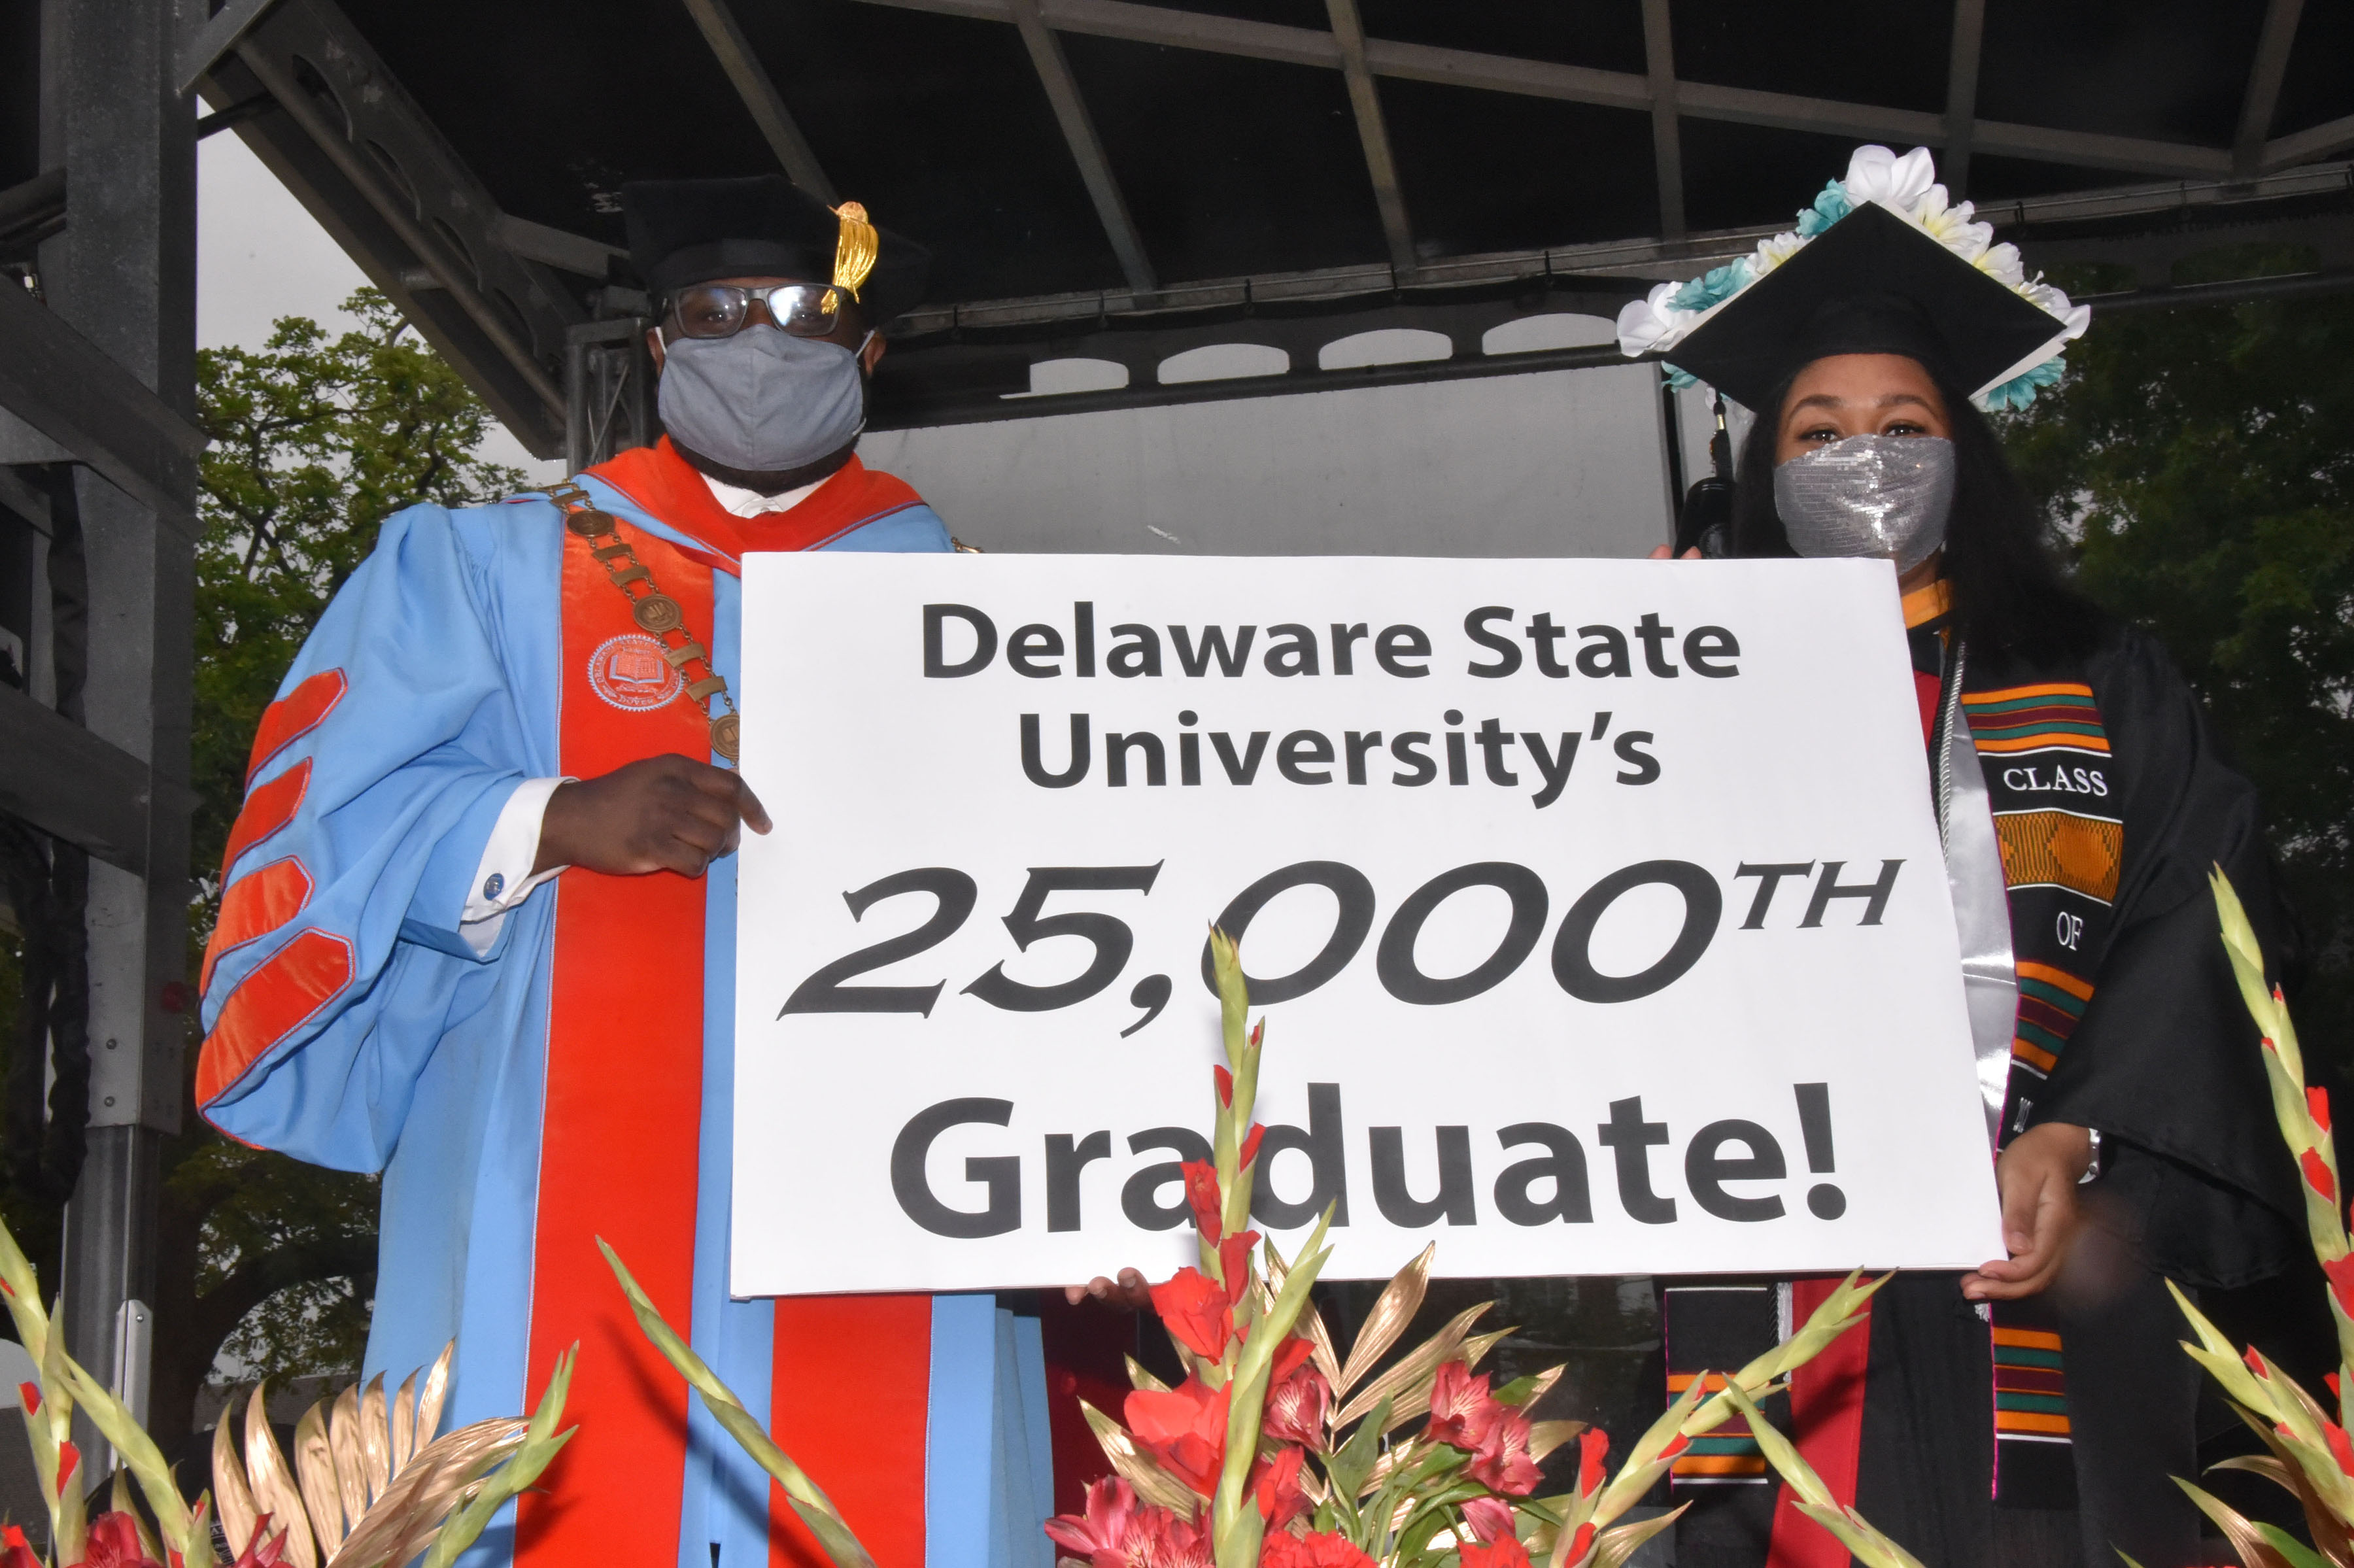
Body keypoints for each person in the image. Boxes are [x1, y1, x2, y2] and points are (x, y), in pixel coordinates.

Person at [191, 175, 1046, 1568]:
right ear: (659, 347)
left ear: (868, 356)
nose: (758, 345)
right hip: (543, 1207)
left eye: (804, 318)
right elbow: (313, 832)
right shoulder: (476, 571)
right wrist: (546, 818)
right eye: (716, 313)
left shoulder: (991, 615)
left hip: (901, 1233)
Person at [1620, 146, 2305, 1568]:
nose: (1861, 452)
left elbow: (2201, 907)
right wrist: (1633, 692)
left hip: (2044, 1232)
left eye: (1901, 421)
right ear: (1765, 465)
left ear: (1962, 453)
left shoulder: (2096, 677)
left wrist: (2080, 1131)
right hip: (1773, 1229)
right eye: (1817, 429)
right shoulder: (1693, 677)